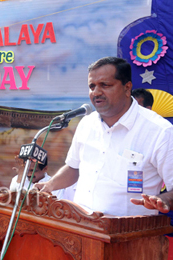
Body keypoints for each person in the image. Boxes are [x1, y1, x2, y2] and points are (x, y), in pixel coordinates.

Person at [34, 56, 173, 216]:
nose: (96, 92)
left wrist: (165, 199)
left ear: (127, 88)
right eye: (92, 86)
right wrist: (50, 185)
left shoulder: (160, 131)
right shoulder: (87, 124)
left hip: (129, 234)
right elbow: (74, 168)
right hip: (80, 227)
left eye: (104, 85)